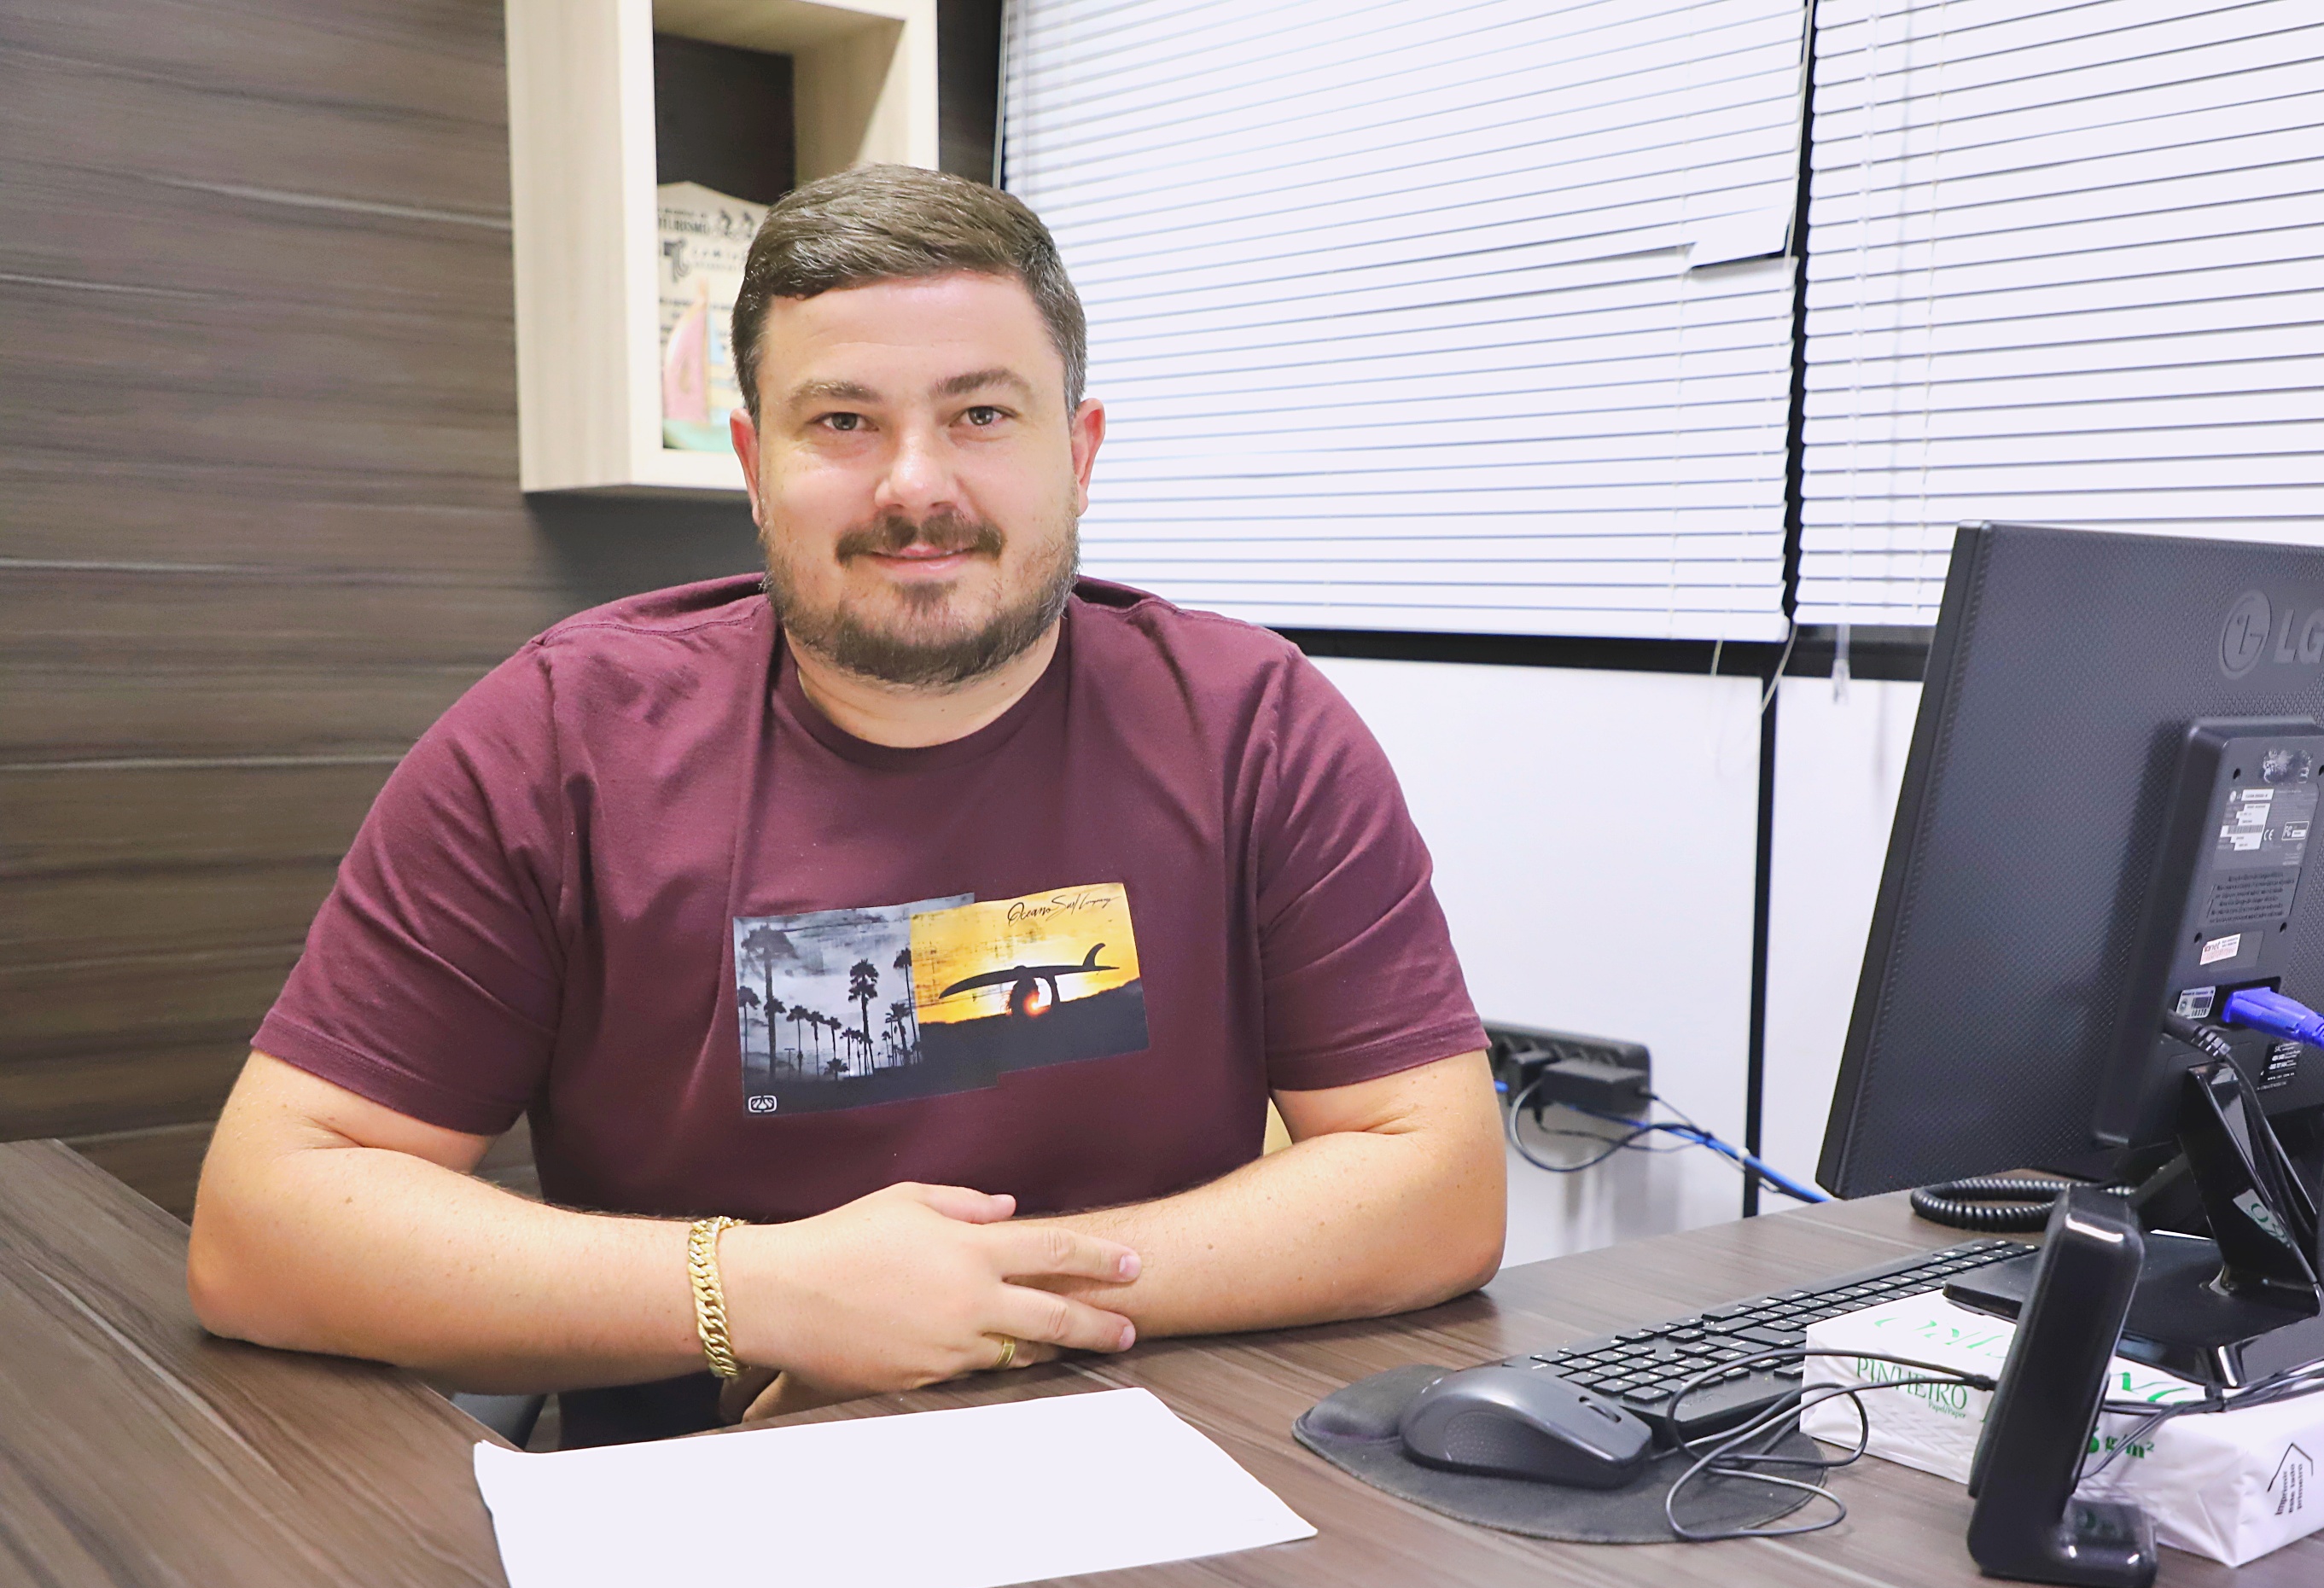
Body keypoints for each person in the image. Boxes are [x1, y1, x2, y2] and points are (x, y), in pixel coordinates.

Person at [186, 166, 1506, 1445]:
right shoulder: (556, 745)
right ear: (753, 463)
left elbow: (1437, 1182)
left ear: (1079, 452)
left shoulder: (1252, 727)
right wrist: (766, 1294)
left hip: (1165, 1464)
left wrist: (984, 1311)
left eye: (980, 415)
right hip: (709, 1489)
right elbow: (265, 1227)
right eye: (842, 422)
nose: (915, 486)